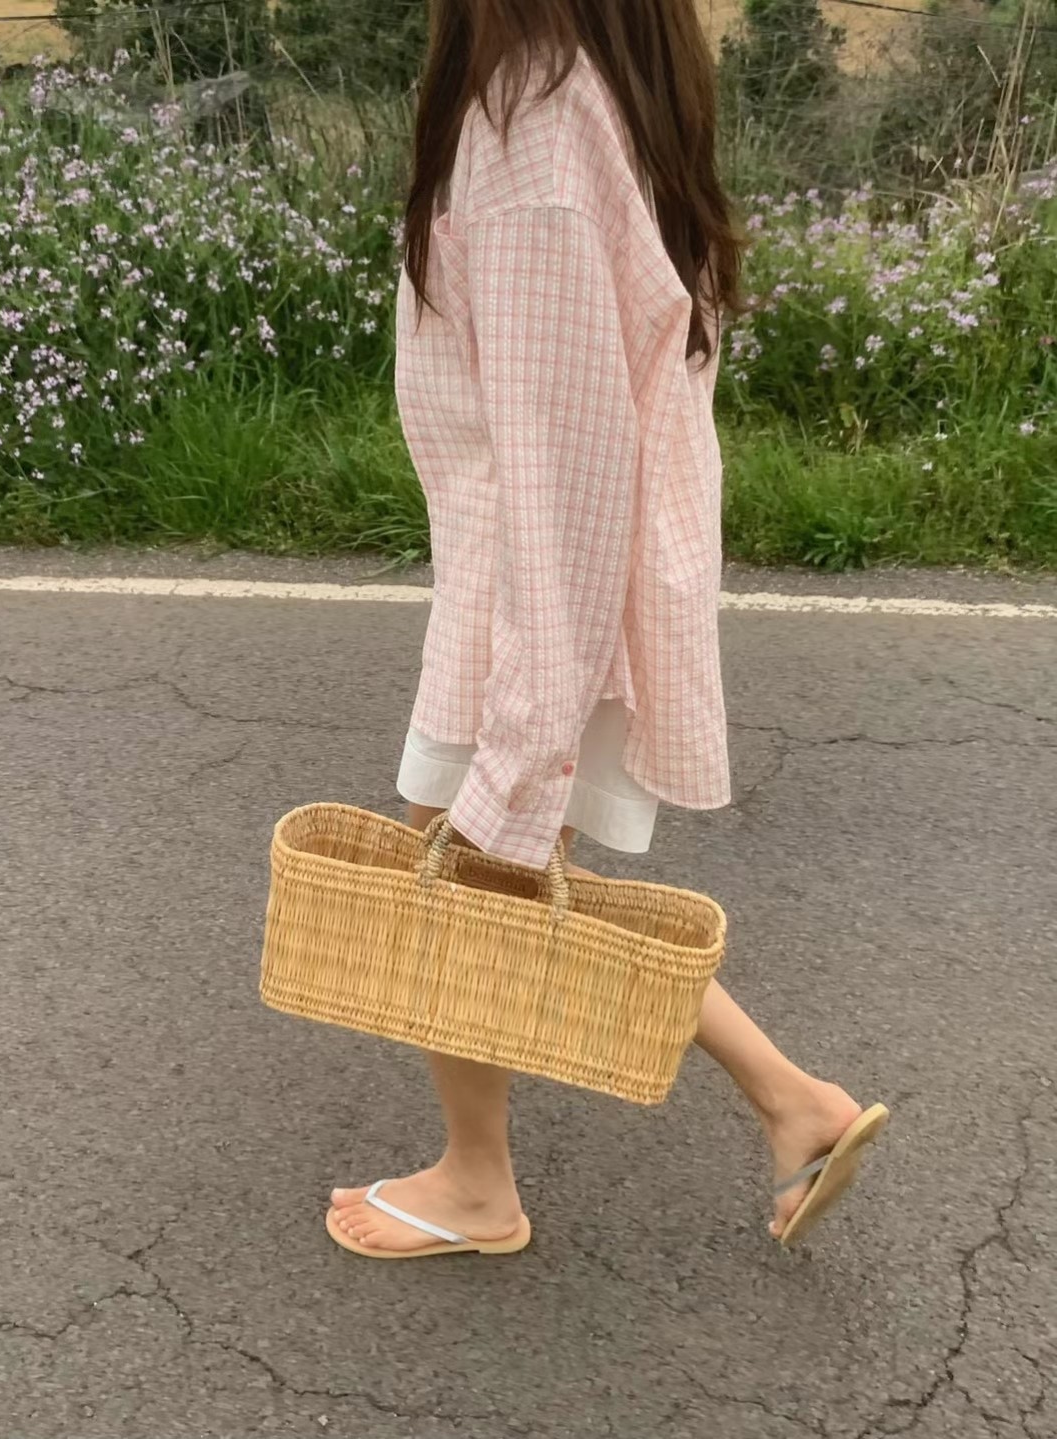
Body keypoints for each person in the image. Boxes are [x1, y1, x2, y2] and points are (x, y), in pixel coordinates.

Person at [329, 0, 887, 1259]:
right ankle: (792, 1102)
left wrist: (530, 723)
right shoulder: (593, 87)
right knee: (501, 874)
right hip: (549, 579)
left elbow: (565, 455)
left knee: (467, 875)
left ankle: (480, 1183)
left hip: (536, 593)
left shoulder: (533, 119)